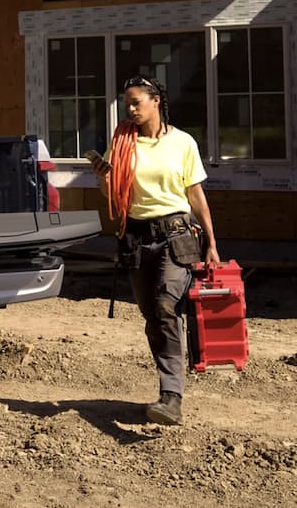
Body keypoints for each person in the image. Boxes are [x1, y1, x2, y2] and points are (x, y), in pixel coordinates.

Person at [92, 74, 220, 426]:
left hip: (175, 237)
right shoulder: (123, 143)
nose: (130, 109)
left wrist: (211, 242)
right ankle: (168, 388)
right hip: (135, 238)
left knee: (166, 307)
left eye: (136, 102)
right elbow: (111, 193)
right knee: (153, 317)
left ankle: (171, 396)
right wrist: (104, 177)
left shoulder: (182, 143)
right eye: (126, 103)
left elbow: (196, 196)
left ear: (156, 102)